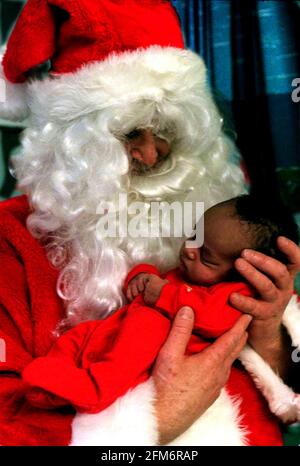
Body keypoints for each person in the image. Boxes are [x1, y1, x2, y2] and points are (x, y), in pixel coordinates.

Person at [0, 0, 299, 446]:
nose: (154, 156)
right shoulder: (11, 239)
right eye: (130, 134)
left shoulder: (223, 209)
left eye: (167, 132)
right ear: (72, 146)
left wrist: (272, 332)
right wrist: (159, 418)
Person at [22, 194, 300, 438]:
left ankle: (97, 389)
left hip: (152, 338)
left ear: (244, 273)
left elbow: (214, 317)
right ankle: (53, 381)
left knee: (139, 339)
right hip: (116, 327)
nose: (189, 250)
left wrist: (163, 295)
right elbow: (165, 277)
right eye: (194, 235)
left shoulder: (237, 294)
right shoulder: (192, 271)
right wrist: (142, 275)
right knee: (78, 337)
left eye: (206, 256)